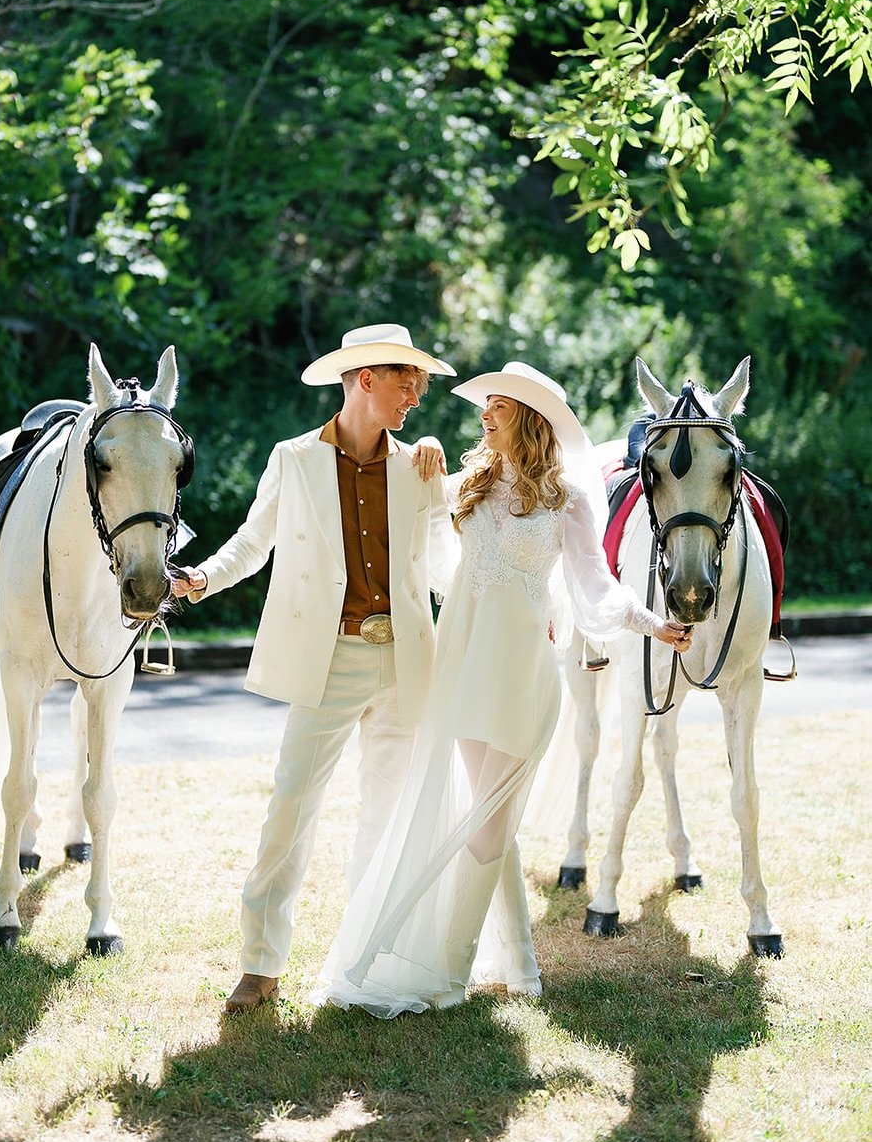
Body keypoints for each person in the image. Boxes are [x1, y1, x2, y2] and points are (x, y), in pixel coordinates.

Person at [317, 361, 693, 1017]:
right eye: (485, 404)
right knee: (492, 821)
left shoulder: (568, 499)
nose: (484, 414)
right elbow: (411, 519)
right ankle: (519, 965)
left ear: (528, 418)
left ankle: (444, 971)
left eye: (498, 405)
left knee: (486, 830)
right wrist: (423, 451)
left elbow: (595, 586)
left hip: (522, 677)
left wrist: (651, 622)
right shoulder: (468, 486)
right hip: (463, 671)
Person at [173, 324, 459, 1013]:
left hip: (409, 662)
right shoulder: (294, 459)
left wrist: (491, 607)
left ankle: (370, 958)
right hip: (329, 658)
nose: (415, 398)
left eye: (419, 388)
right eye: (406, 384)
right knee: (291, 804)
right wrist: (201, 578)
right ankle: (260, 964)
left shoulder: (420, 466)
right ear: (366, 379)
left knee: (389, 815)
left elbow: (444, 564)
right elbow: (254, 541)